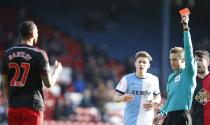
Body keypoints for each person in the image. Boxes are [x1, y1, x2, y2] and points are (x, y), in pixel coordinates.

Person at [1, 20, 62, 125]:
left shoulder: (7, 54)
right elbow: (48, 84)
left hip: (14, 108)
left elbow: (4, 84)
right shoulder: (39, 54)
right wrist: (56, 71)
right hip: (32, 108)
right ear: (33, 34)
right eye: (37, 32)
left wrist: (12, 102)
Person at [153, 13, 197, 125]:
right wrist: (161, 113)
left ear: (184, 60)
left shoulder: (189, 72)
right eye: (171, 59)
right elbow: (170, 100)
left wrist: (186, 28)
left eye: (175, 59)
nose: (172, 62)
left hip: (182, 116)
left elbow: (188, 50)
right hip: (169, 117)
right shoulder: (171, 77)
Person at [113, 51, 161, 125]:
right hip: (131, 120)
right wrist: (122, 98)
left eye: (144, 62)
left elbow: (158, 96)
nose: (141, 64)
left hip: (147, 120)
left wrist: (155, 102)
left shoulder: (154, 79)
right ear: (135, 63)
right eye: (139, 62)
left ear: (148, 65)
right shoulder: (126, 79)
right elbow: (115, 98)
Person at [191, 50, 210, 125]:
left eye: (200, 60)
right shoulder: (190, 82)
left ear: (208, 62)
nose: (197, 62)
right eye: (195, 60)